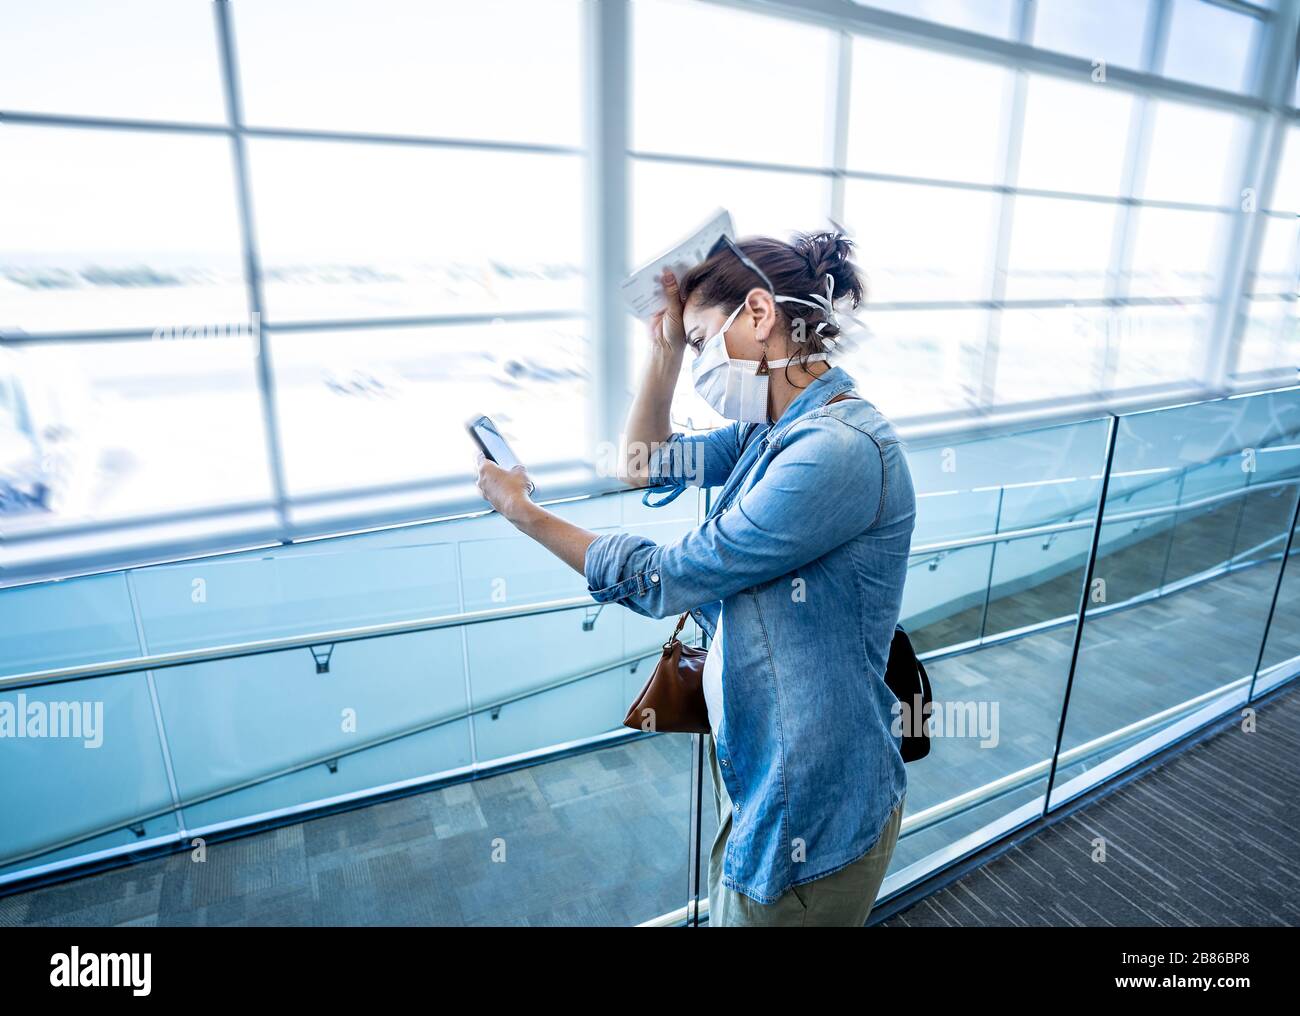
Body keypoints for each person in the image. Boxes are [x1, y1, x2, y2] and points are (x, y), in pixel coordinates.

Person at [475, 230, 916, 926]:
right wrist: (667, 349)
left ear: (762, 314)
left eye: (707, 338)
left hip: (810, 801)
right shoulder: (769, 432)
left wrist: (524, 514)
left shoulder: (835, 453)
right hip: (761, 765)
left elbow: (663, 578)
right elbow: (644, 463)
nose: (703, 358)